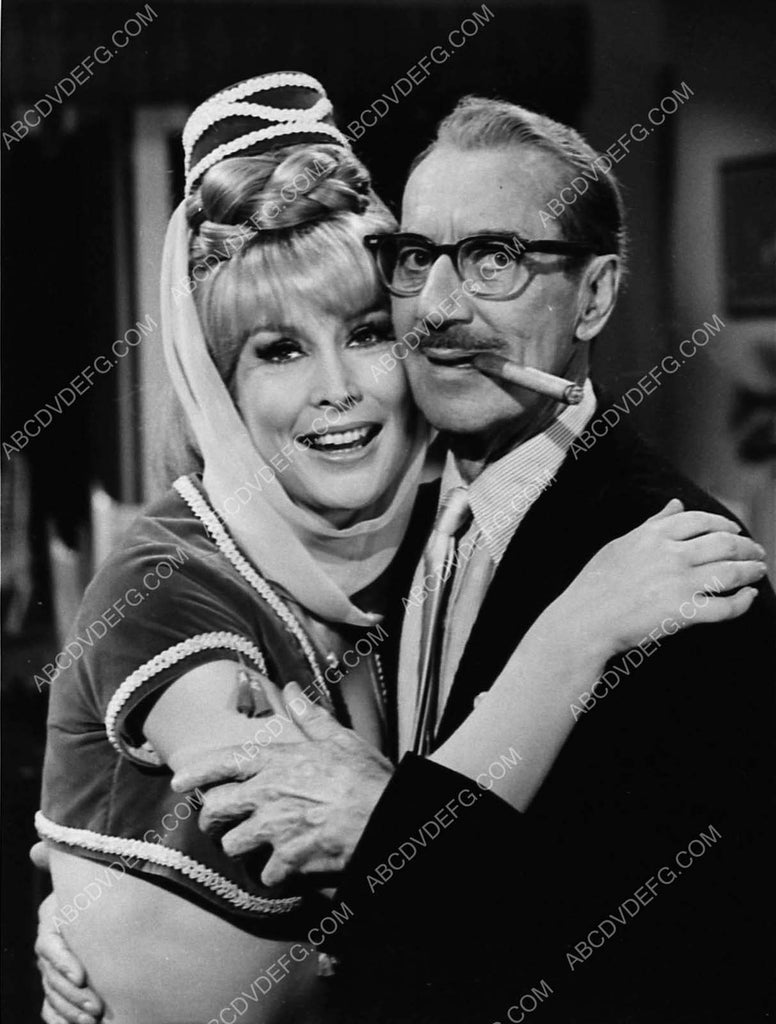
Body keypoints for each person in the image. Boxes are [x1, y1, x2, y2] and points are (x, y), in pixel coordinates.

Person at [34, 85, 770, 1024]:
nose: (442, 306)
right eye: (420, 259)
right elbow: (282, 825)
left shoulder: (680, 567)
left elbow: (694, 956)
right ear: (220, 385)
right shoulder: (355, 543)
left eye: (498, 258)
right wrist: (87, 902)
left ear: (594, 294)